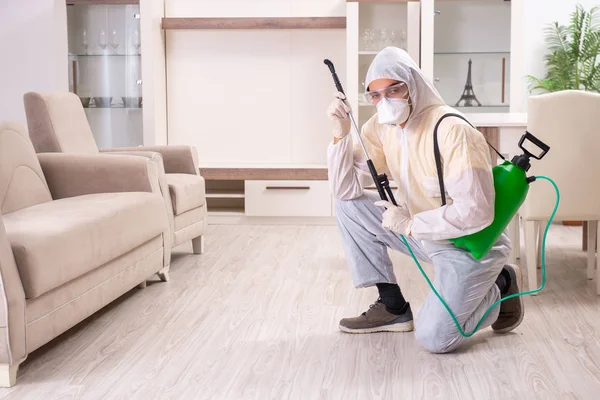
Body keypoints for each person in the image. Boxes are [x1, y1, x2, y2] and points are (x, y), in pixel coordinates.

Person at [326, 47, 523, 354]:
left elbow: (477, 212)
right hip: (420, 234)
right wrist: (340, 136)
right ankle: (392, 306)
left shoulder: (453, 132)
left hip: (467, 246)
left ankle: (501, 286)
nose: (385, 100)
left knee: (435, 338)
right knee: (348, 206)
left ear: (413, 84)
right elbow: (344, 190)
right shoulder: (381, 128)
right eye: (376, 95)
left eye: (394, 89)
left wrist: (411, 222)